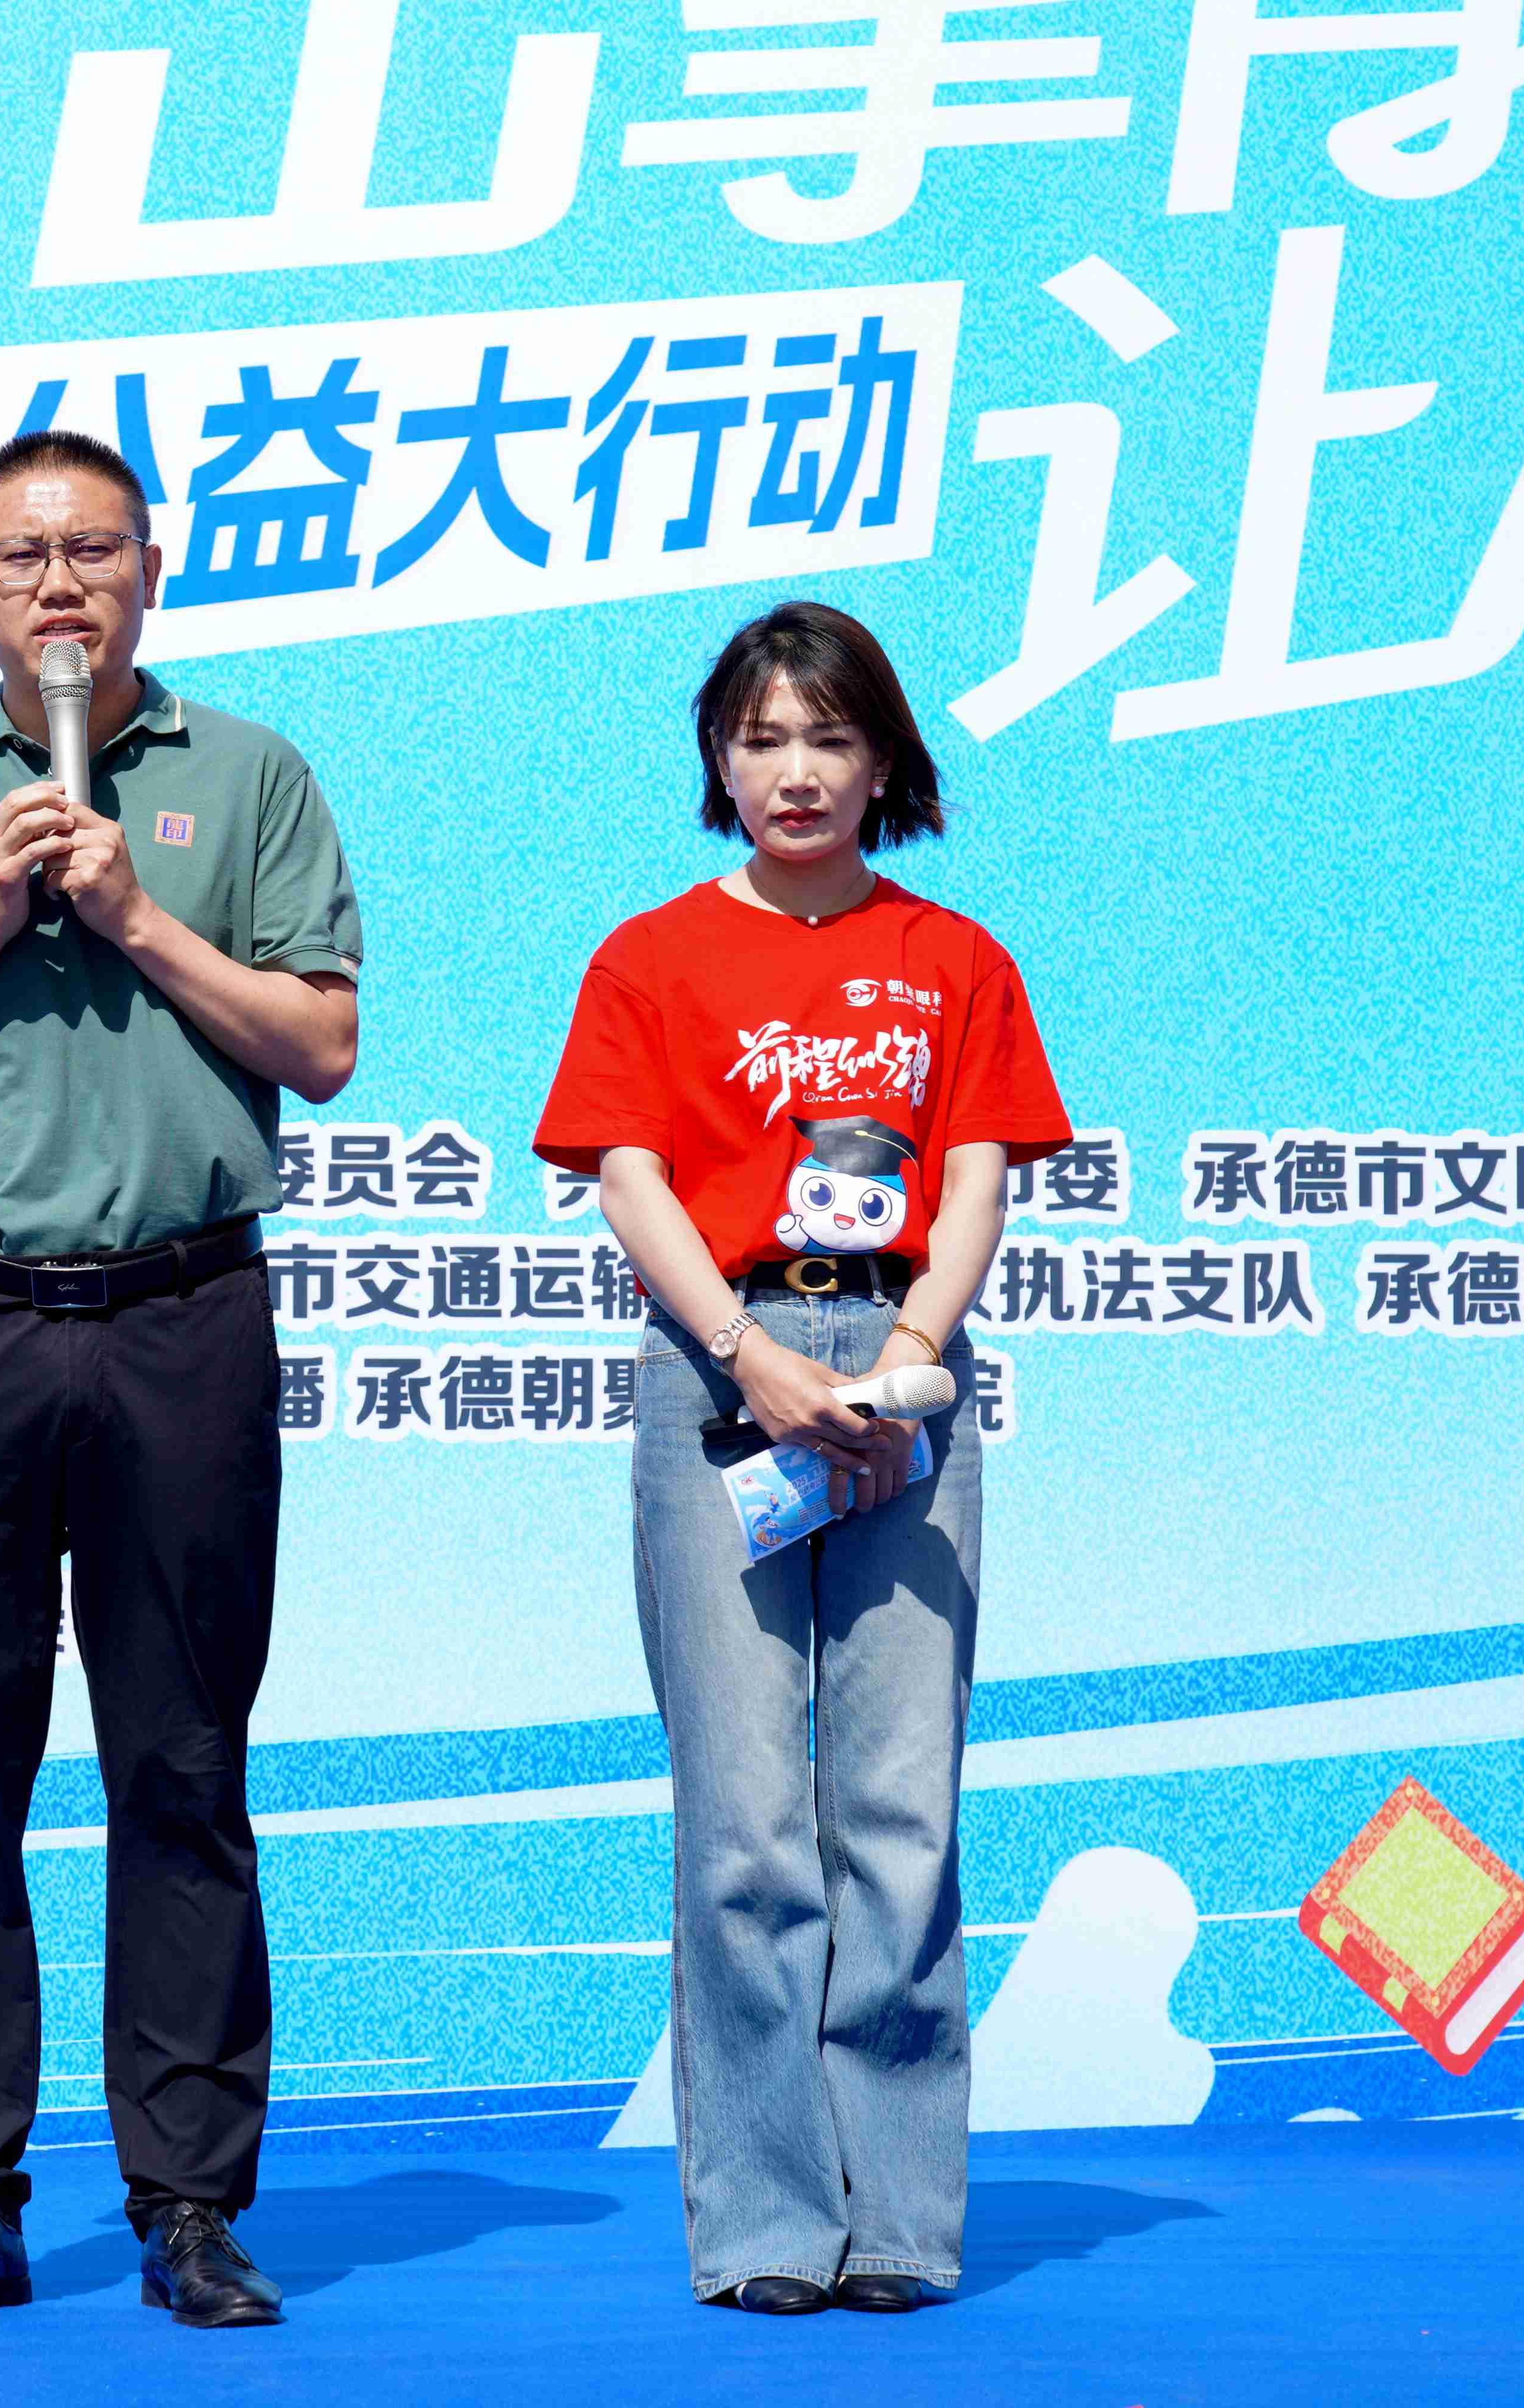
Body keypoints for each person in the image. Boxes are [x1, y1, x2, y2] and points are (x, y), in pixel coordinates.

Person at [0, 427, 364, 2329]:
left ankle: (188, 2201)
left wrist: (135, 916)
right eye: (22, 556)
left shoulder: (248, 775)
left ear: (150, 573)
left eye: (94, 552)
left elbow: (320, 1045)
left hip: (180, 1315)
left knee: (182, 1764)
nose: (60, 587)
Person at [530, 601, 1070, 2317]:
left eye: (830, 737)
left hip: (905, 1366)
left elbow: (975, 1173)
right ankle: (767, 2224)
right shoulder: (652, 956)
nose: (796, 771)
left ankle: (898, 2217)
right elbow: (626, 1176)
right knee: (748, 1823)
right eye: (762, 738)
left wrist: (912, 1354)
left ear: (884, 759)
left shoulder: (955, 957)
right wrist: (746, 1356)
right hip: (723, 1363)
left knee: (899, 1810)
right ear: (720, 758)